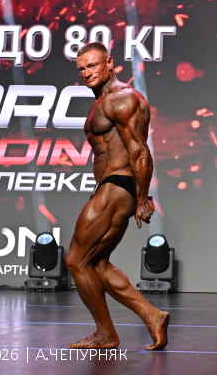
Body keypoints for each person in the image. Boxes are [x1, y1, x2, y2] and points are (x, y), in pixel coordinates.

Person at [65, 42, 170, 350]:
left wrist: (142, 198)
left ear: (109, 63)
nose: (86, 73)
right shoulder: (102, 101)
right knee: (96, 262)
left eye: (92, 65)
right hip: (111, 185)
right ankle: (152, 316)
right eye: (81, 69)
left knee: (75, 260)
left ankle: (105, 333)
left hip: (118, 184)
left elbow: (139, 150)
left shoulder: (123, 99)